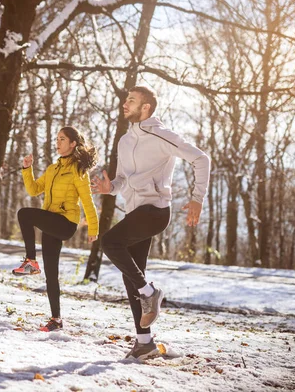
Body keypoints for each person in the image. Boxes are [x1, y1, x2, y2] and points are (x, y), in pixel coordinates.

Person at [91, 86, 210, 359]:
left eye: (131, 100)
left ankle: (150, 292)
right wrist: (109, 188)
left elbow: (201, 159)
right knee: (130, 274)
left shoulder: (162, 135)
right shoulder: (124, 140)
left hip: (155, 211)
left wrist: (197, 198)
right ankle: (144, 343)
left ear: (146, 107)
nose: (125, 103)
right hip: (134, 213)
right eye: (125, 99)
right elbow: (122, 181)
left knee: (110, 242)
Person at [13, 126, 99, 332]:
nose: (57, 142)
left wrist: (93, 228)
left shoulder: (78, 171)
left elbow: (88, 202)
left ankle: (31, 261)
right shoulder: (52, 169)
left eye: (62, 139)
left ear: (73, 144)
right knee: (51, 274)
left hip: (65, 224)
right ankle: (56, 319)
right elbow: (34, 190)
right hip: (51, 222)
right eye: (57, 139)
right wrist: (27, 169)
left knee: (24, 214)